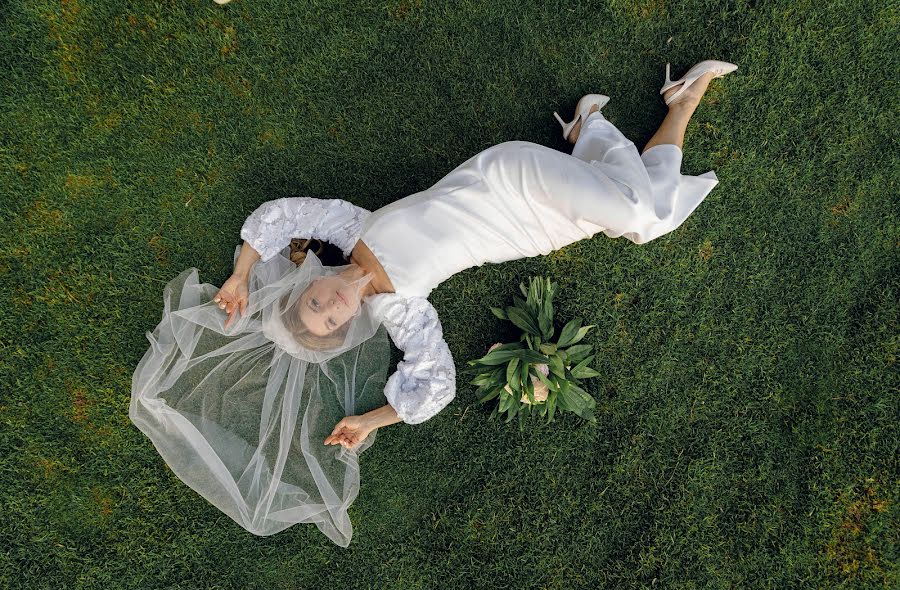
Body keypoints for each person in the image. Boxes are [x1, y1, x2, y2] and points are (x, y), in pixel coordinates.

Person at [131, 60, 736, 544]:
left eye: (313, 301)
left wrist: (240, 277)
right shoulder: (403, 311)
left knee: (642, 218)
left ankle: (615, 124)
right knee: (634, 208)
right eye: (331, 320)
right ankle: (607, 126)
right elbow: (435, 382)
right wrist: (371, 420)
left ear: (308, 282)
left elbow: (276, 216)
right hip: (534, 232)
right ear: (344, 329)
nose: (330, 306)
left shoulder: (350, 227)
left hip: (503, 177)